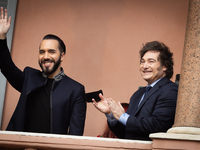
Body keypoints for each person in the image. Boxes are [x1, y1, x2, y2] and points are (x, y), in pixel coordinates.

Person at [0, 7, 86, 135]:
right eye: (42, 52)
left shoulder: (75, 90)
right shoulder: (29, 77)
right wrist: (1, 38)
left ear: (62, 56)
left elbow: (75, 135)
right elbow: (7, 67)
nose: (45, 56)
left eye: (51, 52)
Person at [93, 41, 178, 141]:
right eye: (142, 61)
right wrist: (111, 115)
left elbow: (158, 125)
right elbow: (125, 133)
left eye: (151, 61)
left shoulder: (170, 90)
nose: (145, 66)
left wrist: (123, 116)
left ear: (165, 66)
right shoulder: (138, 94)